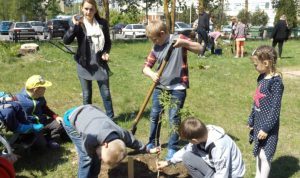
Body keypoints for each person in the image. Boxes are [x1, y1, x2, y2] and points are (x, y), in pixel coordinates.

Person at [143, 20, 202, 160]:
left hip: (178, 87)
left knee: (174, 118)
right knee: (154, 116)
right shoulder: (156, 47)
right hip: (160, 87)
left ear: (162, 33)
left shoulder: (178, 39)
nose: (154, 42)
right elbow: (146, 66)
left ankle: (172, 148)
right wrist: (152, 74)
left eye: (155, 39)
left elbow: (200, 48)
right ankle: (152, 143)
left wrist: (185, 44)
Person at [63, 0, 114, 119]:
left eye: (91, 9)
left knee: (106, 93)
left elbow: (107, 42)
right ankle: (89, 119)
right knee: (86, 95)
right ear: (81, 8)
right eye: (86, 9)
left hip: (99, 63)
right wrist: (74, 26)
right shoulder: (78, 23)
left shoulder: (102, 24)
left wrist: (105, 52)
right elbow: (66, 41)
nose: (88, 12)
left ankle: (111, 119)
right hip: (84, 63)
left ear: (95, 10)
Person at [62, 105, 145, 178]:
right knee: (87, 158)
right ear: (105, 144)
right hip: (71, 119)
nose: (100, 157)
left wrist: (146, 148)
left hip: (90, 113)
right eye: (101, 156)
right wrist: (92, 155)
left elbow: (133, 142)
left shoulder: (121, 133)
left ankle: (94, 175)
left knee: (95, 156)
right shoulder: (90, 139)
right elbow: (88, 153)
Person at [157, 117, 245, 178]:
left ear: (194, 140)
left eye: (189, 140)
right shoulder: (201, 134)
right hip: (214, 167)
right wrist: (168, 162)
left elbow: (222, 174)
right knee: (187, 156)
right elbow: (186, 150)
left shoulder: (219, 147)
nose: (189, 143)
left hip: (231, 175)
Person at [248, 45, 284, 178]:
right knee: (258, 152)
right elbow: (256, 100)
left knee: (265, 155)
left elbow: (275, 109)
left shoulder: (275, 83)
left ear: (266, 63)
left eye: (256, 64)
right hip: (258, 122)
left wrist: (266, 128)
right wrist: (251, 118)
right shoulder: (262, 78)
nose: (254, 67)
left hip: (268, 125)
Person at [14, 75, 65, 149]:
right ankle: (32, 139)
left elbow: (45, 108)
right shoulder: (18, 100)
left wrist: (56, 117)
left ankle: (50, 139)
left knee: (61, 123)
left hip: (42, 122)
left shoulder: (40, 96)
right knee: (41, 146)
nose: (45, 89)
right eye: (43, 87)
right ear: (35, 89)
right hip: (32, 128)